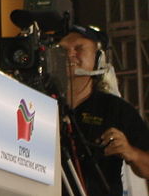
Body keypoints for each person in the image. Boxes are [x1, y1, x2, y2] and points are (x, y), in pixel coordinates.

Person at [59, 25, 149, 195]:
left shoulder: (117, 109)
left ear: (98, 58)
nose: (69, 54)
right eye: (63, 50)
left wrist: (131, 152)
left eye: (78, 48)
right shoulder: (39, 104)